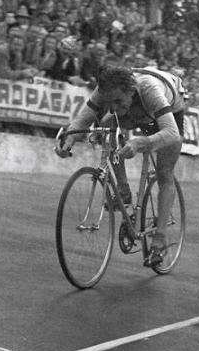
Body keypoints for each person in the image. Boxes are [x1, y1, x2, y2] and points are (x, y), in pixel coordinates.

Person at [54, 66, 186, 267]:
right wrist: (69, 140)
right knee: (108, 121)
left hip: (169, 109)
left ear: (131, 90)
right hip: (135, 108)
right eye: (109, 102)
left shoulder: (149, 91)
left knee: (164, 172)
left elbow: (171, 133)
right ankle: (123, 191)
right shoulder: (106, 89)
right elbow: (83, 119)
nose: (113, 106)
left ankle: (159, 240)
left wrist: (139, 143)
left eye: (117, 101)